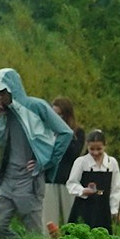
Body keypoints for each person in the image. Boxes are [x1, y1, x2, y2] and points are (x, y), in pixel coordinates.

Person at [0, 68, 73, 239]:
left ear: (12, 89)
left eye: (2, 93)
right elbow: (0, 143)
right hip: (7, 180)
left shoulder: (36, 106)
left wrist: (46, 162)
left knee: (34, 235)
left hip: (29, 180)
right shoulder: (3, 113)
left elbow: (65, 133)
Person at [66, 129, 120, 232]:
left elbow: (116, 188)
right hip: (84, 207)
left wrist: (114, 210)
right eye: (92, 149)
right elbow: (71, 183)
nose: (95, 153)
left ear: (105, 146)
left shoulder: (112, 163)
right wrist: (82, 191)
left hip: (103, 208)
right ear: (87, 146)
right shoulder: (81, 162)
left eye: (99, 149)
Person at [45, 97, 85, 229]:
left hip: (69, 181)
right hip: (49, 180)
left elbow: (74, 153)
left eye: (59, 114)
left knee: (71, 220)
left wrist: (63, 135)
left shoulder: (77, 133)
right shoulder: (47, 132)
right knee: (49, 221)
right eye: (53, 114)